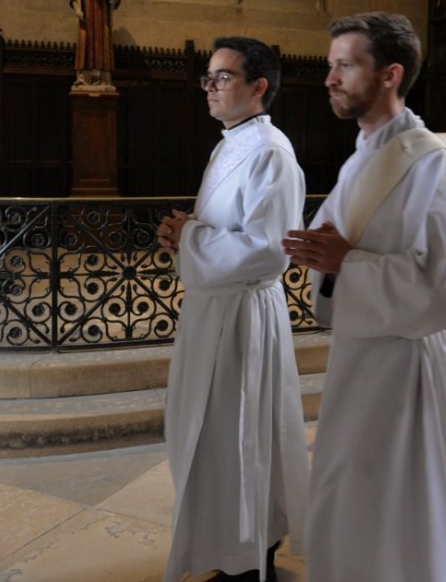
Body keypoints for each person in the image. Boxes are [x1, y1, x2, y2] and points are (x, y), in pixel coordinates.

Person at [281, 13, 446, 582]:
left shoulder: (432, 164)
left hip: (401, 361)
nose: (330, 78)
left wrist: (345, 263)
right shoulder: (363, 156)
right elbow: (337, 249)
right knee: (352, 487)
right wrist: (326, 257)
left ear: (389, 74)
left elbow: (441, 289)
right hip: (358, 351)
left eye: (345, 65)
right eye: (331, 65)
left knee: (397, 496)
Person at [157, 37, 310, 582]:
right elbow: (227, 229)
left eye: (223, 77)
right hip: (213, 312)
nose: (211, 87)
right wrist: (185, 234)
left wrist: (192, 236)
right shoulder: (232, 142)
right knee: (214, 439)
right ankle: (229, 549)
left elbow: (268, 249)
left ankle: (251, 559)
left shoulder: (271, 152)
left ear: (258, 87)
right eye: (209, 77)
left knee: (242, 439)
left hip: (244, 318)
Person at [68, 0, 120, 87]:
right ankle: (84, 77)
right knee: (86, 43)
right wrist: (78, 9)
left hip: (102, 20)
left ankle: (103, 78)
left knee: (102, 45)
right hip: (87, 19)